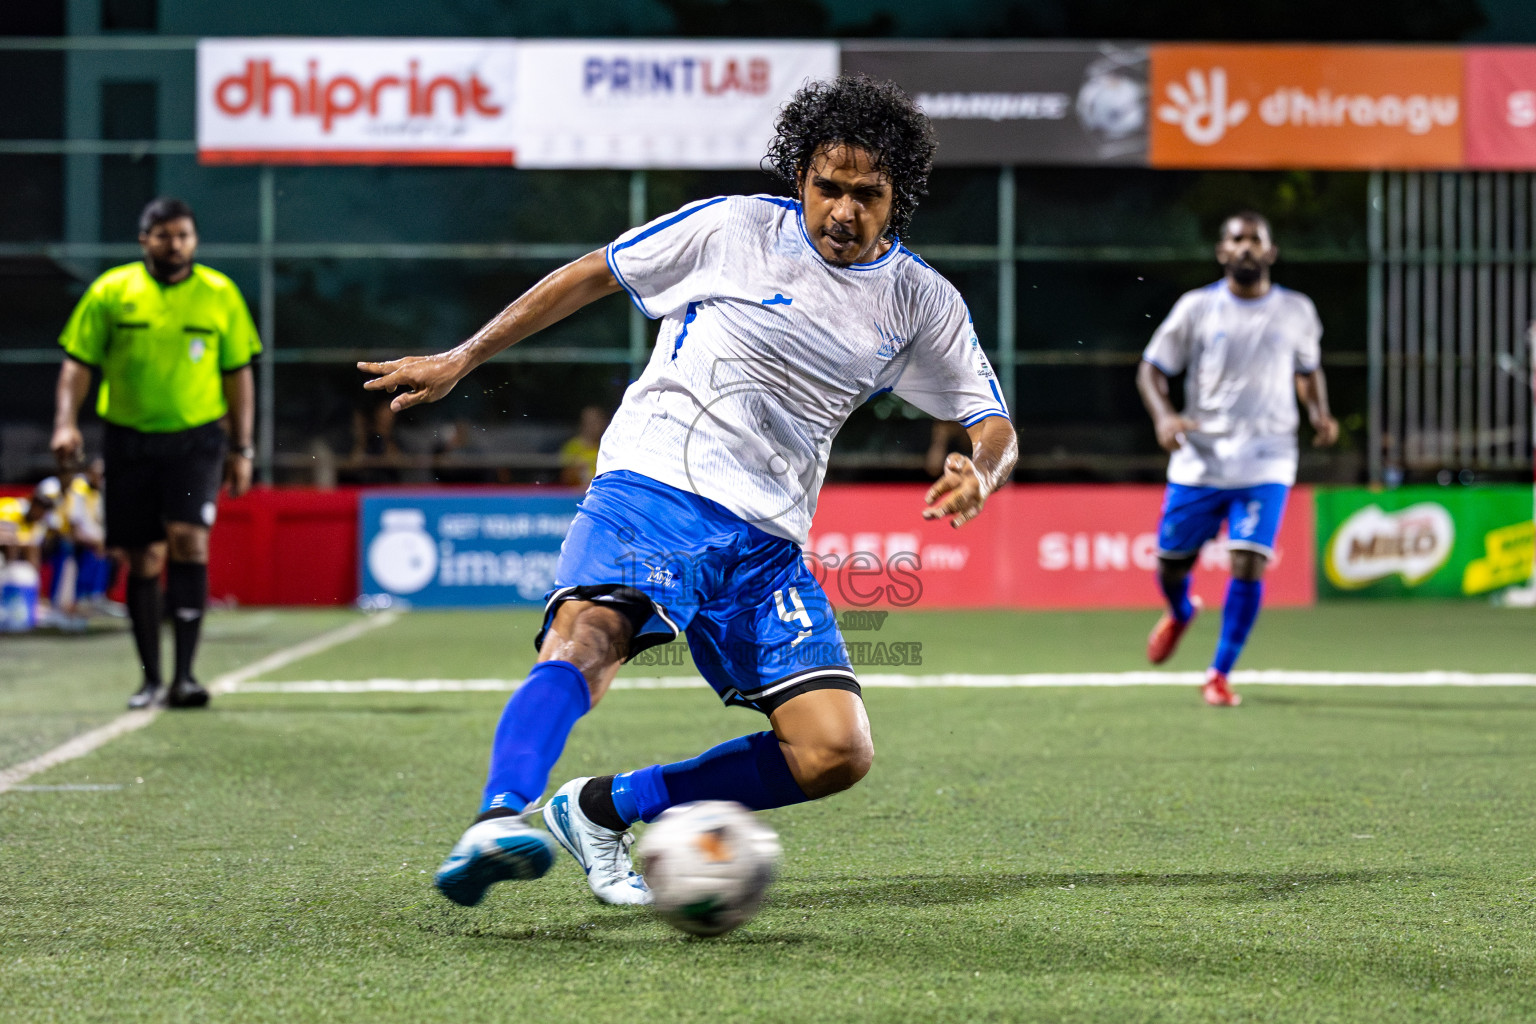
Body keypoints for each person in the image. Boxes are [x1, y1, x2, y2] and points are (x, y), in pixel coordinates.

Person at [360, 75, 1018, 909]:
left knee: (834, 752)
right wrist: (465, 357)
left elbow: (991, 420)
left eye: (867, 194)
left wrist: (979, 471)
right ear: (799, 179)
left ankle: (603, 808)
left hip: (767, 541)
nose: (843, 211)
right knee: (588, 638)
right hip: (654, 483)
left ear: (898, 199)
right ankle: (499, 815)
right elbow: (594, 274)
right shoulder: (734, 227)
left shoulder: (920, 301)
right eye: (827, 187)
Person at [51, 196, 262, 710]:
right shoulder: (111, 291)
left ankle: (185, 678)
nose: (176, 244)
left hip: (197, 440)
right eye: (164, 235)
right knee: (142, 556)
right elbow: (77, 365)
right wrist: (65, 423)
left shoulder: (220, 294)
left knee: (189, 541)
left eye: (184, 234)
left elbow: (239, 376)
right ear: (144, 239)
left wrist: (242, 447)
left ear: (195, 239)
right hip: (128, 439)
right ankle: (150, 679)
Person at [1137, 211, 1338, 707]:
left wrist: (1320, 414)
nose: (1246, 247)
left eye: (1256, 240)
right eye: (1237, 239)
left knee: (1248, 562)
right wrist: (1164, 418)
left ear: (1270, 252)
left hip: (1269, 456)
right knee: (1171, 566)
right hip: (1201, 455)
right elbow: (1151, 370)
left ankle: (1219, 672)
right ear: (1222, 252)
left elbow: (1308, 370)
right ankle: (1182, 612)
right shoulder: (1196, 308)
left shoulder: (1297, 310)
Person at [558, 405, 609, 487]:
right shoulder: (572, 447)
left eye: (596, 422)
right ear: (582, 423)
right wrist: (575, 470)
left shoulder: (609, 446)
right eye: (589, 422)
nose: (593, 426)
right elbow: (564, 478)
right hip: (577, 494)